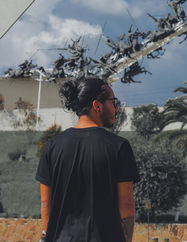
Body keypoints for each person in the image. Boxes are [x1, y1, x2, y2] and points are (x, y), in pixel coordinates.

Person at [35, 77, 140, 242]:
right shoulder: (119, 147)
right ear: (97, 105)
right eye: (113, 102)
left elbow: (45, 205)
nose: (116, 108)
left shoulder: (52, 147)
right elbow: (126, 205)